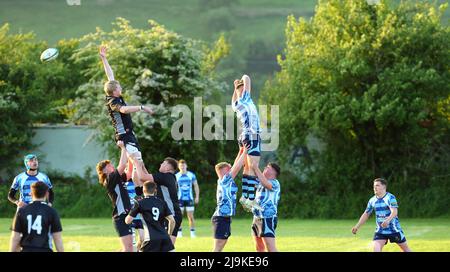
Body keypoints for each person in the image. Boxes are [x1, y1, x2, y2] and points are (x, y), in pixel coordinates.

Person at [99, 45, 153, 159]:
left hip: (129, 134)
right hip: (123, 136)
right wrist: (141, 107)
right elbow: (124, 110)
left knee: (136, 162)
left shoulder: (114, 95)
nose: (121, 88)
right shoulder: (113, 102)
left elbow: (110, 75)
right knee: (137, 160)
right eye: (119, 87)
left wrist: (104, 58)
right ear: (114, 91)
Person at [129, 155, 182, 246]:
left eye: (164, 163)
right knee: (161, 245)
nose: (161, 164)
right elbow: (147, 178)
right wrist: (142, 165)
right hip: (168, 214)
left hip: (171, 215)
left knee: (166, 246)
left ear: (168, 167)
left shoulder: (166, 177)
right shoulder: (167, 177)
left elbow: (142, 177)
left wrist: (136, 163)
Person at [352, 178, 412, 252]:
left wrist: (387, 220)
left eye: (377, 185)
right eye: (374, 186)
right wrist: (357, 226)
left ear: (384, 187)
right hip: (380, 231)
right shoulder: (372, 200)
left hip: (394, 230)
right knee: (376, 249)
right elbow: (366, 214)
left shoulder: (390, 197)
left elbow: (394, 211)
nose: (375, 188)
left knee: (406, 249)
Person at [96, 140, 133, 252]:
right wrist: (123, 148)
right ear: (104, 170)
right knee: (127, 249)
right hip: (120, 217)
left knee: (129, 248)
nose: (112, 166)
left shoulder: (116, 178)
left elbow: (129, 173)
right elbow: (122, 165)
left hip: (126, 215)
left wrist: (131, 158)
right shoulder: (110, 178)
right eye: (109, 165)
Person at [231, 74, 262, 211]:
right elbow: (247, 77)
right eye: (242, 89)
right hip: (252, 135)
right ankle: (250, 198)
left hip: (245, 135)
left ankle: (246, 197)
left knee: (248, 168)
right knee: (253, 166)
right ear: (241, 92)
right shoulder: (245, 99)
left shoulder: (236, 104)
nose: (245, 90)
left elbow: (234, 98)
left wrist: (235, 87)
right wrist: (239, 82)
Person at [10, 181, 63, 252]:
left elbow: (15, 237)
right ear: (47, 194)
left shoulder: (22, 211)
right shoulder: (51, 212)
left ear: (30, 194)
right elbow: (57, 238)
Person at [212, 146, 246, 252]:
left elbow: (235, 165)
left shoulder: (224, 180)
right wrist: (246, 151)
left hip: (224, 218)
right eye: (229, 168)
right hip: (221, 217)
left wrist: (240, 151)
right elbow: (237, 166)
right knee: (218, 247)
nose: (231, 169)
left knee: (222, 244)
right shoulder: (225, 180)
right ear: (224, 171)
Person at [125, 181, 176, 252]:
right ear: (155, 190)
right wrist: (168, 235)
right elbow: (172, 221)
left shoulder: (140, 203)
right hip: (165, 238)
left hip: (150, 239)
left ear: (143, 190)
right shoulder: (162, 202)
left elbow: (128, 221)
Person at [249, 162, 281, 252]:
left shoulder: (275, 183)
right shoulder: (260, 181)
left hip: (268, 218)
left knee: (270, 248)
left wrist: (256, 168)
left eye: (267, 167)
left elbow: (266, 184)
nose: (265, 168)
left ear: (274, 172)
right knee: (259, 247)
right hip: (257, 218)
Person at [175, 159, 200, 238]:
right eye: (180, 166)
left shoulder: (191, 175)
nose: (182, 167)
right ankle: (179, 233)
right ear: (178, 167)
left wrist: (197, 196)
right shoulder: (176, 176)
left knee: (191, 216)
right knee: (179, 217)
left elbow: (196, 186)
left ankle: (192, 233)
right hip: (180, 199)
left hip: (189, 198)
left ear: (186, 166)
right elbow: (173, 187)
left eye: (183, 165)